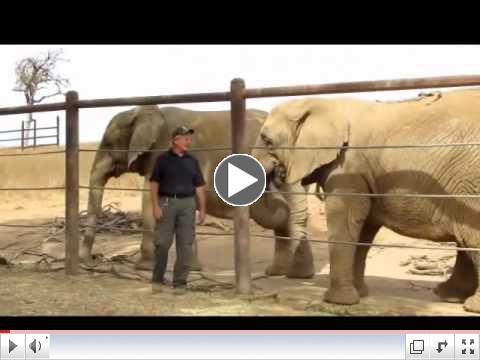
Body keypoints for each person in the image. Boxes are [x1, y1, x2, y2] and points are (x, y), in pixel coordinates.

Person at [149, 125, 207, 294]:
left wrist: (202, 209)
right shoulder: (162, 160)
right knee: (161, 243)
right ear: (175, 140)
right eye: (185, 138)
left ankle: (180, 283)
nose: (189, 142)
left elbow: (200, 186)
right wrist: (155, 205)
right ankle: (157, 280)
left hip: (188, 205)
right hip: (167, 203)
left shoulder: (192, 161)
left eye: (190, 138)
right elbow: (154, 184)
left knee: (186, 245)